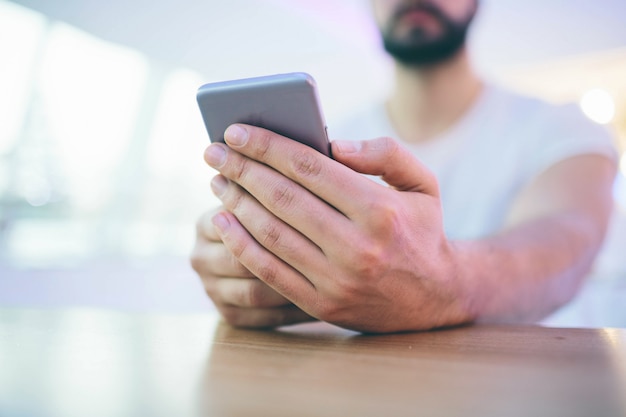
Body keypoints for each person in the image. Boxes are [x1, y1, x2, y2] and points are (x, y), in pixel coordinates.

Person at [190, 0, 618, 333]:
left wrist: (444, 281)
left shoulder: (563, 127)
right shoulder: (326, 141)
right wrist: (245, 263)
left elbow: (567, 244)